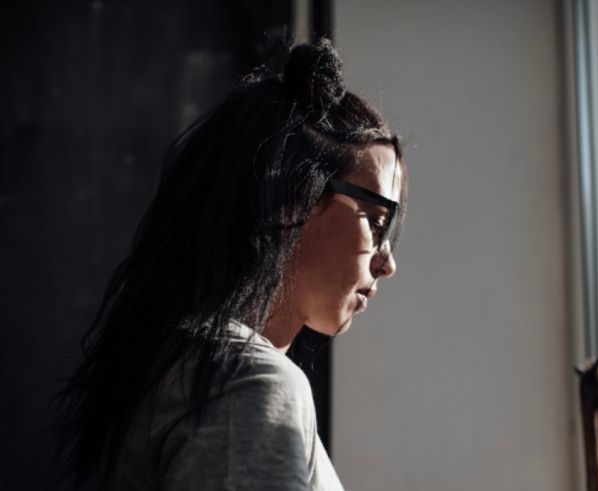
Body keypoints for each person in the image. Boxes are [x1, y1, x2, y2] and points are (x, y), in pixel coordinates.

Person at [52, 39, 406, 490]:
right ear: (292, 199)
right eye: (376, 222)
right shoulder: (249, 384)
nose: (387, 263)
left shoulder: (179, 366)